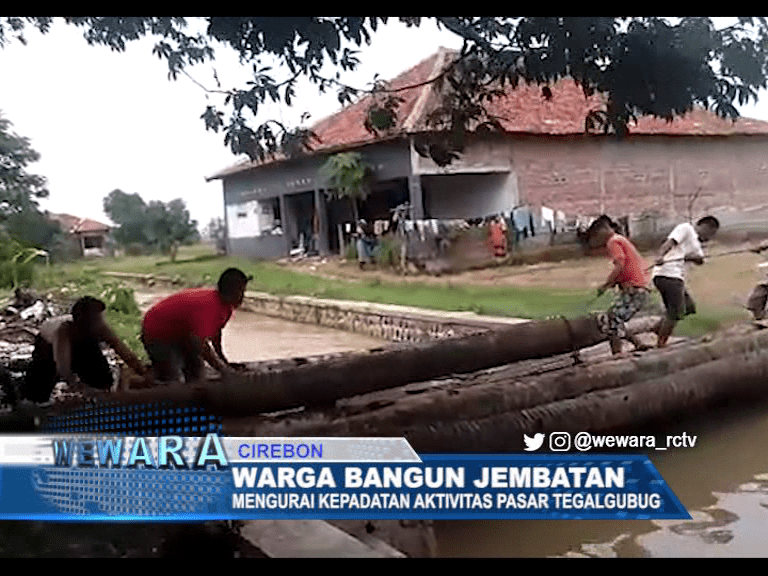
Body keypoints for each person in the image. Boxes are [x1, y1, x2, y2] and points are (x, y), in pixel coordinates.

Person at [21, 296, 147, 404]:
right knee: (41, 384)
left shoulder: (100, 327)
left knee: (102, 378)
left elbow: (124, 352)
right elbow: (63, 367)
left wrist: (143, 373)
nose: (100, 322)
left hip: (83, 344)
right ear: (83, 320)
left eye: (101, 318)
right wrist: (79, 387)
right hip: (47, 345)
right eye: (96, 319)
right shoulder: (63, 332)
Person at [140, 268, 252, 386]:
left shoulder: (225, 308)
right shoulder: (209, 307)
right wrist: (223, 370)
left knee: (197, 372)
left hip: (181, 333)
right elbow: (200, 344)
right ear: (232, 292)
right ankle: (151, 390)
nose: (243, 297)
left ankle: (194, 396)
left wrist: (223, 361)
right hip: (156, 333)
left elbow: (215, 334)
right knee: (173, 379)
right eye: (241, 292)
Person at [587, 216, 652, 356]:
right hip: (639, 287)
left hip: (634, 289)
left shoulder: (613, 241)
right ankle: (637, 343)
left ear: (603, 230)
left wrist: (606, 285)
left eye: (596, 236)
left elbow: (620, 265)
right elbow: (626, 267)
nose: (598, 240)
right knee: (615, 318)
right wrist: (615, 282)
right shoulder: (620, 239)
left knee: (612, 321)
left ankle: (617, 354)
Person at [652, 216, 719, 347]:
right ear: (705, 227)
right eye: (711, 233)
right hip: (668, 273)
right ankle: (661, 343)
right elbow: (670, 242)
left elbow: (700, 260)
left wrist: (693, 257)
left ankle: (658, 329)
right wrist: (660, 255)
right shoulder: (686, 228)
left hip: (677, 278)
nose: (710, 238)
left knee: (689, 307)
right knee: (675, 311)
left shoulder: (697, 246)